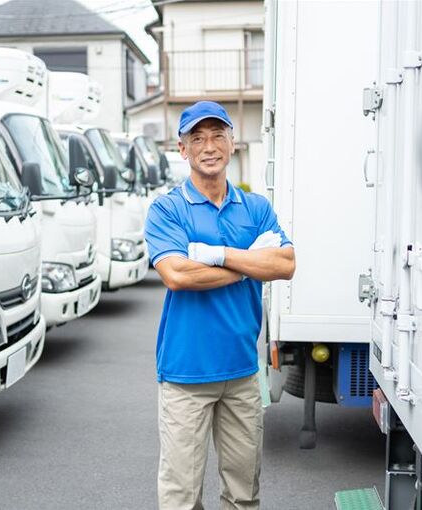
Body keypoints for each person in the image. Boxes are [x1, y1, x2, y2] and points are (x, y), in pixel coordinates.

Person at [144, 101, 296, 510]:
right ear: (183, 149)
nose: (208, 146)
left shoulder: (256, 208)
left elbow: (284, 264)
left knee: (244, 493)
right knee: (181, 496)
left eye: (217, 136)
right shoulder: (167, 209)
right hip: (185, 374)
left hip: (243, 372)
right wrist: (251, 263)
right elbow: (178, 275)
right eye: (198, 138)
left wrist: (216, 254)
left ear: (232, 143)